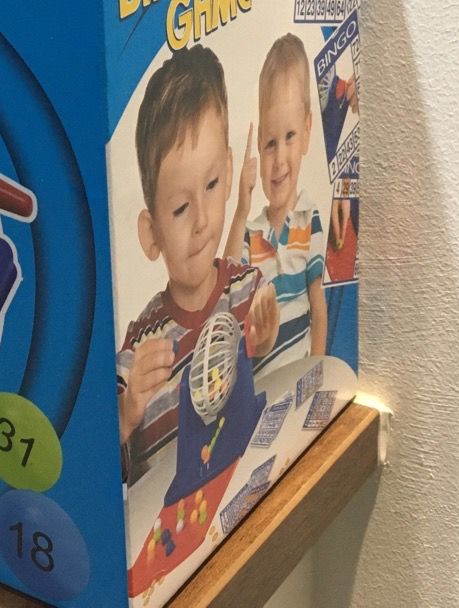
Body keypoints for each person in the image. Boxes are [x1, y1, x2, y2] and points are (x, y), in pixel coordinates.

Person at [116, 45, 278, 485]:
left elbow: (273, 400)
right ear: (151, 234)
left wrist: (264, 344)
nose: (203, 220)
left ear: (229, 172)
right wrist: (127, 413)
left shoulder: (247, 289)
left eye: (211, 184)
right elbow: (102, 461)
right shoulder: (138, 347)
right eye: (181, 208)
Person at [225, 34, 326, 371]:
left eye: (290, 137)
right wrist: (241, 209)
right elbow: (226, 288)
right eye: (270, 143)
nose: (279, 158)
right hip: (260, 390)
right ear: (258, 145)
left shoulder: (308, 219)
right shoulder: (251, 234)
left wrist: (317, 375)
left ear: (307, 131)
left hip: (301, 383)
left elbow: (318, 309)